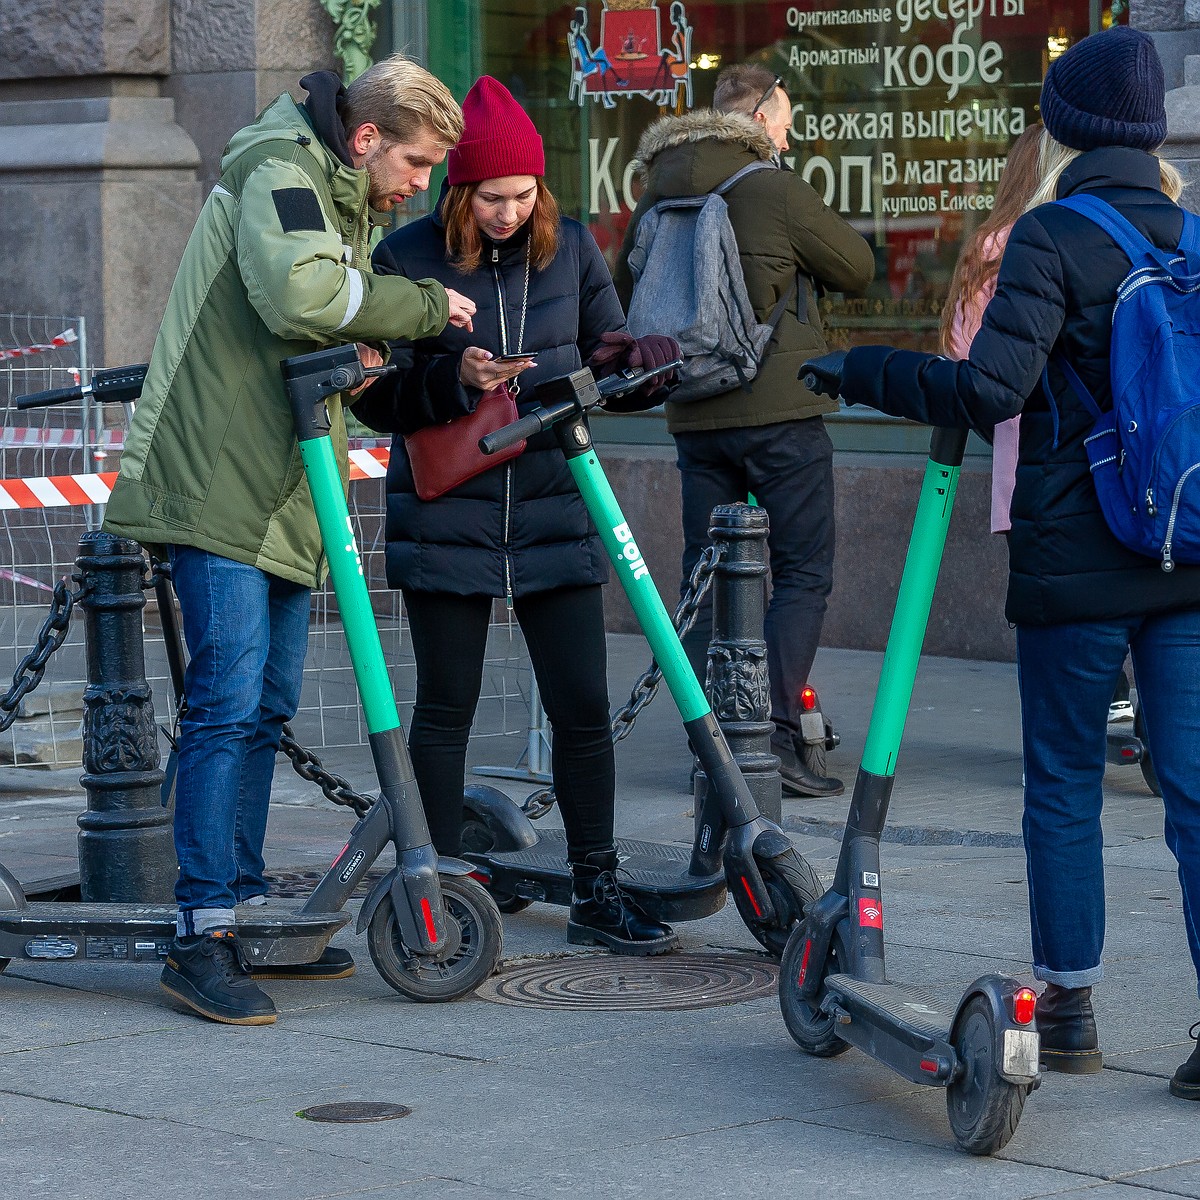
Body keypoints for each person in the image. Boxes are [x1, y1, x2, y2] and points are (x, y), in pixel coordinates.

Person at [802, 26, 1200, 1099]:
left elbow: (990, 393)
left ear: (1066, 125)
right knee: (1197, 795)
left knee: (1065, 784)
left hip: (1076, 556)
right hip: (1189, 549)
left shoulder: (1053, 237)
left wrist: (864, 367)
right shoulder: (1197, 237)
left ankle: (1067, 1012)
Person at [103, 55, 478, 1026]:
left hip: (277, 482)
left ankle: (239, 909)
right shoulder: (279, 164)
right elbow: (302, 298)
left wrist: (374, 349)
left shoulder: (332, 184)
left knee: (263, 702)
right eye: (418, 160)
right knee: (228, 702)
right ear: (365, 139)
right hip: (221, 475)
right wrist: (427, 312)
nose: (422, 185)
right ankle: (203, 932)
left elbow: (319, 318)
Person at [359, 76, 680, 956]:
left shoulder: (571, 250)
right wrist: (450, 380)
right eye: (490, 196)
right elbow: (372, 399)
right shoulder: (406, 256)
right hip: (447, 507)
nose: (507, 212)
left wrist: (639, 364)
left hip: (551, 504)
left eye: (523, 194)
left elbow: (608, 364)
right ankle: (434, 890)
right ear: (459, 190)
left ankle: (598, 889)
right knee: (446, 706)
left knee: (581, 706)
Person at [614, 62, 875, 798]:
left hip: (694, 412)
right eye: (785, 116)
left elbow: (630, 296)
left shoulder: (656, 191)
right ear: (759, 116)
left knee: (709, 574)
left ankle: (715, 743)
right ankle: (780, 738)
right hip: (782, 409)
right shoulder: (773, 186)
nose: (788, 130)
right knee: (800, 571)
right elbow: (856, 265)